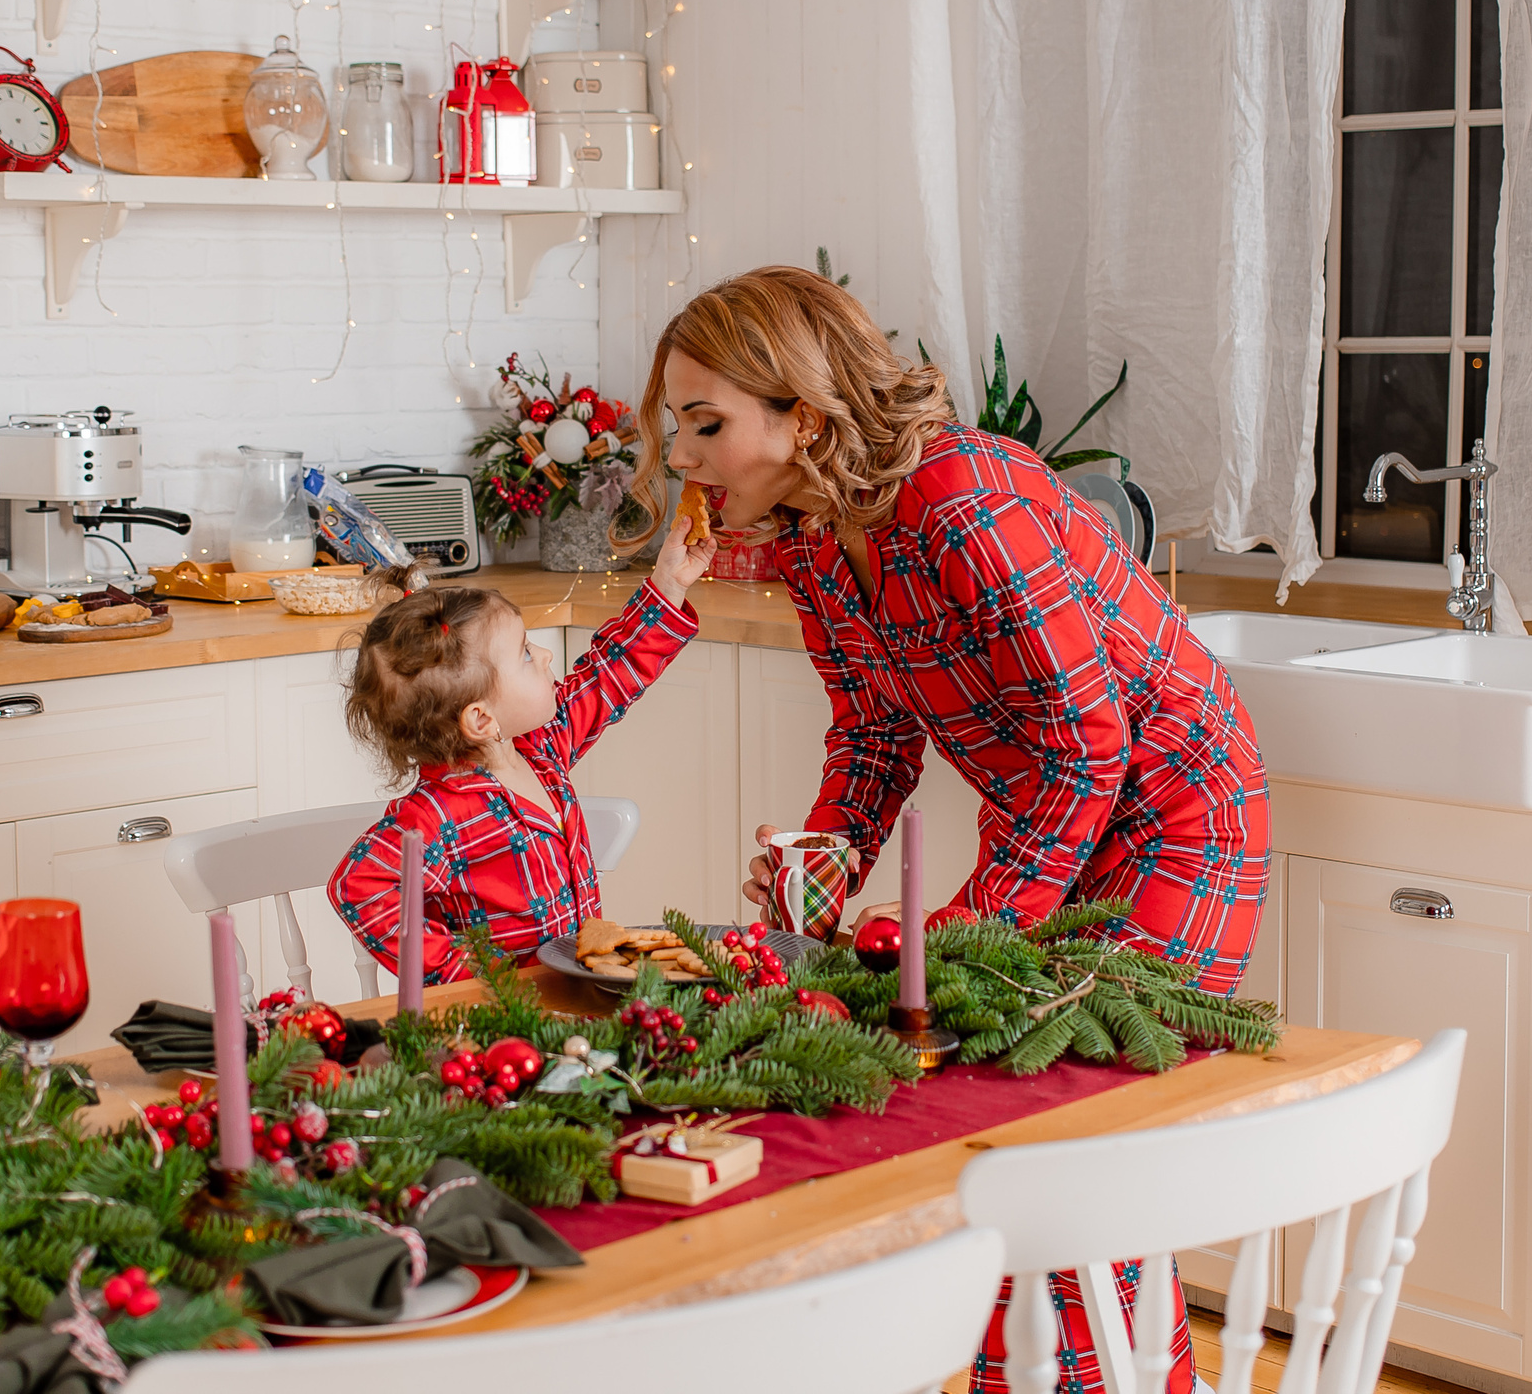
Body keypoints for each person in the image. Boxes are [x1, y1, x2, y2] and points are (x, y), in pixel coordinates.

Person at [623, 264, 1271, 1394]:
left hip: (1175, 820)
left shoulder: (963, 496)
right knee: (1005, 1124)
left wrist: (966, 937)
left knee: (1072, 1129)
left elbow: (1086, 746)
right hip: (1055, 816)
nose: (680, 453)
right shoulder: (809, 539)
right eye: (676, 424)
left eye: (705, 421)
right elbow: (874, 734)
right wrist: (818, 875)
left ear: (802, 416)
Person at [326, 527, 717, 984]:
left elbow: (609, 674)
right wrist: (472, 978)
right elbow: (359, 885)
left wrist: (668, 586)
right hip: (507, 1027)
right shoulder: (438, 814)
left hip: (575, 997)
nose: (547, 654)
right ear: (481, 719)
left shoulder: (538, 749)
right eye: (526, 653)